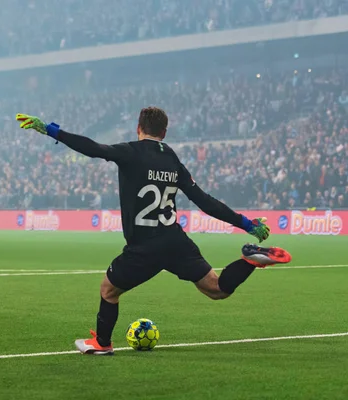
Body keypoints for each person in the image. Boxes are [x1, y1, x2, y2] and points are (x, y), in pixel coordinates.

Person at [16, 109, 292, 355]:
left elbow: (94, 148)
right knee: (217, 289)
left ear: (139, 128)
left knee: (108, 290)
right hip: (175, 240)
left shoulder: (130, 151)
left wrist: (51, 130)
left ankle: (102, 342)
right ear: (164, 132)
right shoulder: (172, 158)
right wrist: (245, 223)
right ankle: (249, 261)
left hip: (144, 245)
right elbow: (204, 201)